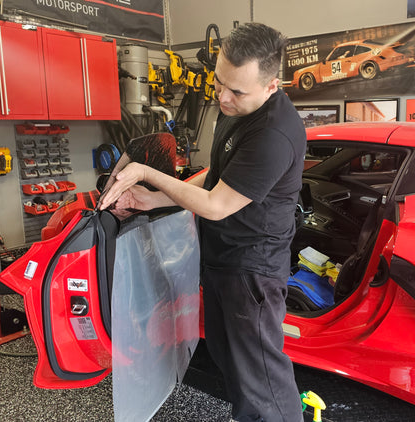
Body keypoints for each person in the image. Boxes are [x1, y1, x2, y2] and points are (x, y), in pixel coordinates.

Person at [98, 22, 306, 422]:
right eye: (219, 83)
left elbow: (215, 204)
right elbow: (216, 177)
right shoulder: (236, 110)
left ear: (271, 85)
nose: (223, 98)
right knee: (233, 365)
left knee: (263, 383)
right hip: (223, 261)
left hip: (252, 272)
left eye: (237, 92)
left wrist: (148, 174)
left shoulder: (274, 134)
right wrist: (155, 200)